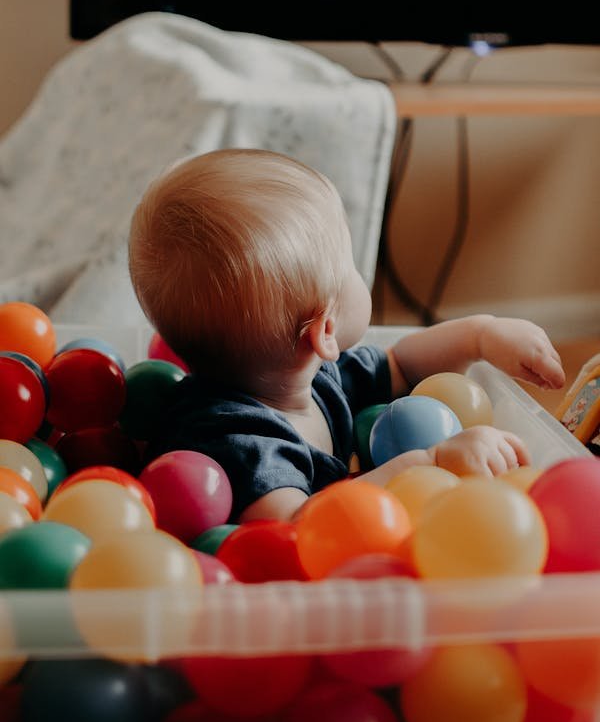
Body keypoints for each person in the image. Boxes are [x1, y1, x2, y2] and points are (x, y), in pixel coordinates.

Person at [128, 148, 565, 523]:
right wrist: (431, 462)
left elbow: (402, 364)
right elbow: (301, 529)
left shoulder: (313, 375)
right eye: (350, 266)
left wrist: (479, 335)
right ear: (327, 330)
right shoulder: (239, 443)